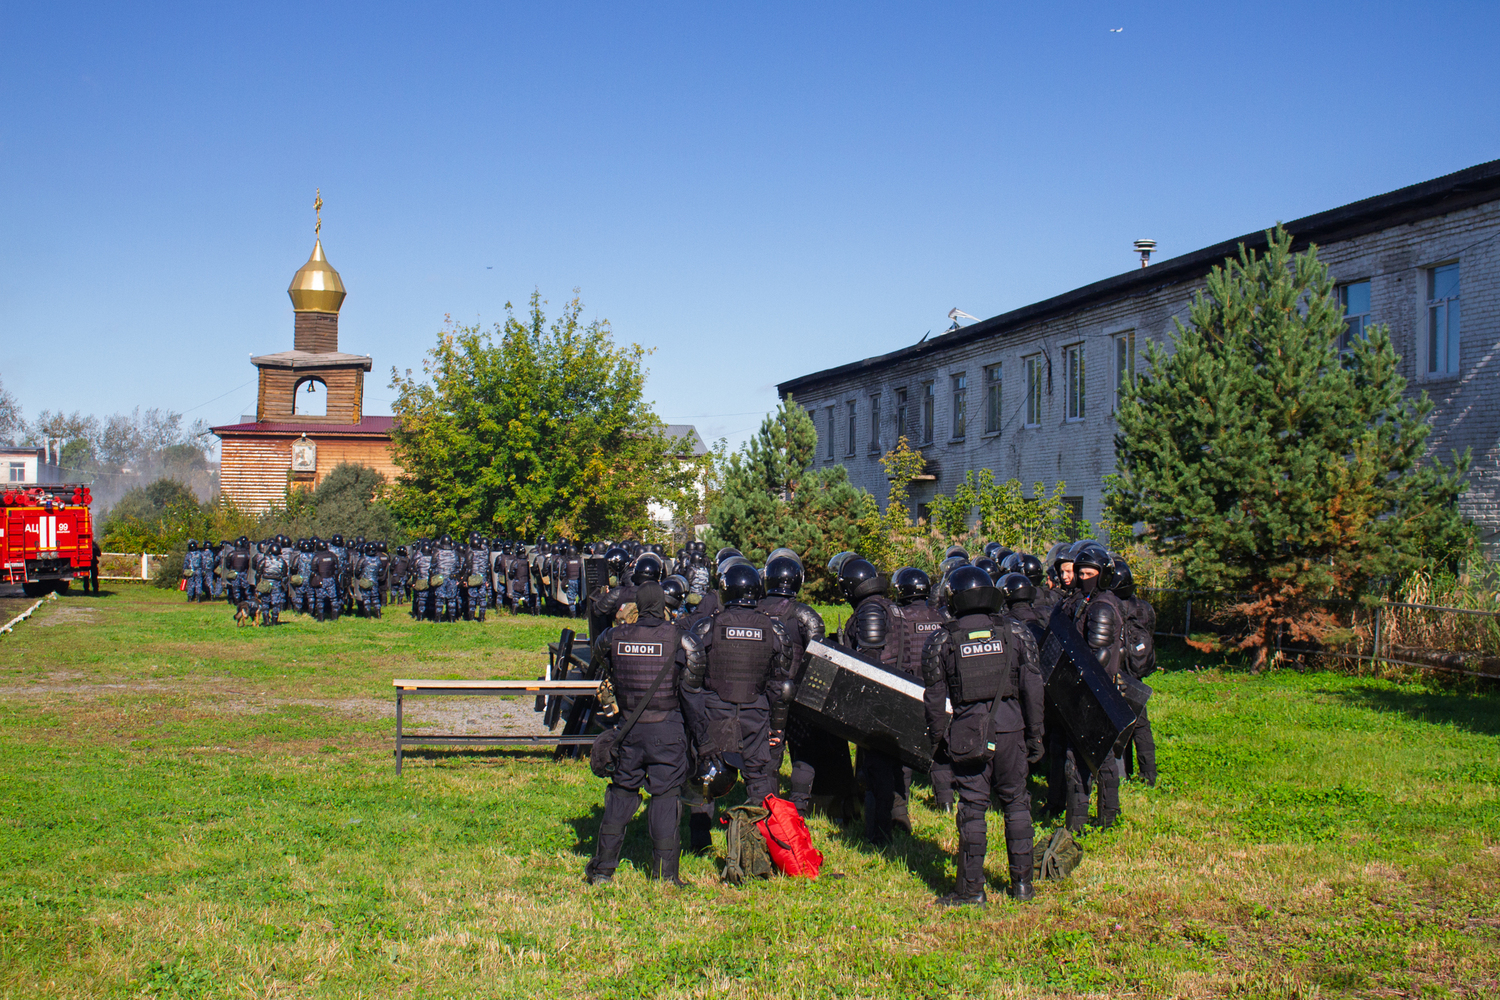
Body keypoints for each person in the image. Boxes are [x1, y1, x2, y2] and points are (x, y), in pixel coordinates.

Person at [921, 565, 1044, 906]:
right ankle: (1023, 886)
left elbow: (933, 698)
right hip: (1011, 729)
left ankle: (971, 891)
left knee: (973, 810)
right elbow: (1033, 687)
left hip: (967, 734)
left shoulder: (942, 639)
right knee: (1017, 803)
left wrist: (939, 741)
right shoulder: (1016, 633)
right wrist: (1036, 734)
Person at [583, 582, 689, 885]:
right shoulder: (678, 637)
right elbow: (691, 679)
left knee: (621, 795)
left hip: (628, 728)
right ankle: (666, 876)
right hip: (666, 729)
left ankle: (603, 870)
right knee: (666, 797)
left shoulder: (615, 636)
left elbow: (601, 656)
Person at [680, 563, 793, 808]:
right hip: (756, 715)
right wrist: (776, 728)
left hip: (717, 713)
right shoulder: (776, 631)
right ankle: (759, 838)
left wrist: (696, 728)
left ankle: (701, 843)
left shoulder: (707, 627)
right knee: (759, 780)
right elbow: (780, 687)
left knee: (707, 775)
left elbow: (691, 680)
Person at [838, 557, 910, 845]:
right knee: (889, 765)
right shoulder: (887, 605)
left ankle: (879, 834)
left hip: (881, 699)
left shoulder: (870, 609)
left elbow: (870, 663)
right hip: (894, 695)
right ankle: (896, 821)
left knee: (877, 768)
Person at [756, 555, 829, 824]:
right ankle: (798, 808)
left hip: (763, 695)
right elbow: (821, 659)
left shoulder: (755, 610)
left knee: (769, 752)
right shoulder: (805, 615)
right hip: (797, 695)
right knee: (803, 751)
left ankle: (770, 809)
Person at [1060, 542, 1126, 831]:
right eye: (1081, 572)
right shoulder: (1087, 601)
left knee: (1083, 757)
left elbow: (1096, 656)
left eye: (1090, 572)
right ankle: (1104, 818)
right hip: (1089, 689)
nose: (1083, 577)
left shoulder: (1101, 606)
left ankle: (1082, 822)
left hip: (1092, 691)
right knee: (1100, 754)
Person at [891, 567, 954, 812]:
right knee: (939, 746)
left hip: (909, 690)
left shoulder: (899, 618)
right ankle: (946, 802)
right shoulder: (942, 617)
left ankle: (901, 805)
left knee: (905, 748)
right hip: (939, 691)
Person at [1113, 556, 1157, 786]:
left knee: (1118, 724)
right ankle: (1149, 774)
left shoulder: (1113, 608)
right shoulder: (1144, 607)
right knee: (1141, 725)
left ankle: (1120, 774)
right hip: (1137, 671)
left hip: (1119, 672)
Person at [254, 542, 288, 625]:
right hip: (277, 584)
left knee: (265, 602)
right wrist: (283, 584)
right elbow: (285, 575)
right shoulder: (282, 562)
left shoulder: (264, 560)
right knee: (276, 603)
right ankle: (274, 620)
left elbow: (258, 573)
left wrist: (258, 584)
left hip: (265, 583)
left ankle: (266, 620)